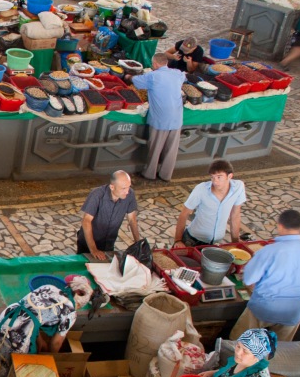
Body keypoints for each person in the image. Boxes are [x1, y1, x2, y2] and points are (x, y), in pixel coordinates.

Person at [230, 209, 300, 342]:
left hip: (263, 308)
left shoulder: (268, 251)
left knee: (240, 344)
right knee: (278, 351)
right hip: (293, 311)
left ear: (279, 225)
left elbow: (249, 279)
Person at [0, 279, 93, 377]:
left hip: (8, 315)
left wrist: (40, 340)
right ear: (79, 302)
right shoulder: (70, 311)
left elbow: (36, 314)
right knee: (13, 363)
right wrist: (51, 358)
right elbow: (56, 342)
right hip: (20, 329)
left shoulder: (49, 287)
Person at [131, 53, 186, 182]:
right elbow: (184, 77)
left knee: (155, 146)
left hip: (161, 118)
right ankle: (166, 175)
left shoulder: (153, 76)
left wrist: (128, 76)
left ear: (155, 64)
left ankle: (149, 174)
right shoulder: (178, 73)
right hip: (177, 117)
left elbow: (136, 81)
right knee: (171, 148)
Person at [173, 159, 246, 247]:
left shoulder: (238, 187)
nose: (215, 181)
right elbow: (184, 214)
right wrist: (178, 240)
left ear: (230, 176)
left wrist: (235, 241)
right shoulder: (201, 189)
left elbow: (235, 214)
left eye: (219, 177)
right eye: (212, 177)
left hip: (215, 242)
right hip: (192, 240)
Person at [77, 170, 140, 261]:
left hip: (109, 242)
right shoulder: (97, 194)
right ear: (112, 187)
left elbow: (132, 220)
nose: (127, 191)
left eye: (128, 187)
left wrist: (138, 243)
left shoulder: (130, 194)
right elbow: (86, 221)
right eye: (123, 188)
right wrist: (94, 250)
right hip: (88, 242)